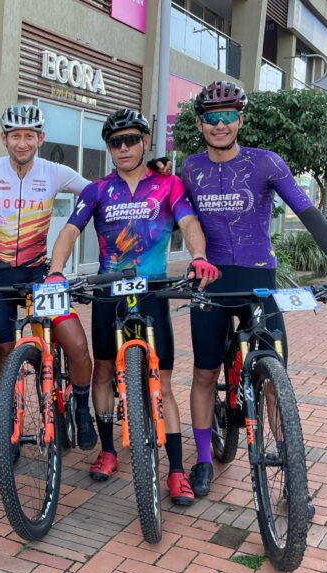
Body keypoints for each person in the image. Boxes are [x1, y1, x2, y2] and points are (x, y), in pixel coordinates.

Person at [156, 81, 327, 499]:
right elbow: (169, 208)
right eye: (212, 118)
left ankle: (291, 473)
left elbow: (307, 211)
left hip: (257, 281)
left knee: (273, 378)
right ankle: (202, 460)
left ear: (241, 119)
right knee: (204, 373)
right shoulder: (190, 169)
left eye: (228, 116)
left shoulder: (265, 162)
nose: (220, 125)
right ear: (199, 124)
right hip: (210, 283)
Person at [48, 109, 218, 503]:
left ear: (145, 142)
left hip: (153, 291)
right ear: (108, 148)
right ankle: (108, 450)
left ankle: (176, 470)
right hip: (109, 292)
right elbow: (70, 231)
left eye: (131, 140)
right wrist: (56, 271)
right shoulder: (97, 190)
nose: (123, 148)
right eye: (115, 142)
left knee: (164, 383)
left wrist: (198, 256)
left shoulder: (168, 184)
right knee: (104, 370)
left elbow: (189, 223)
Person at [0, 104, 97, 449]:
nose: (21, 143)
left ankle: (82, 409)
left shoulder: (55, 171)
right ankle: (8, 426)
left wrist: (149, 174)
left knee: (77, 345)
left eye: (29, 136)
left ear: (41, 138)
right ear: (4, 138)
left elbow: (99, 193)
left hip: (39, 273)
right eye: (15, 136)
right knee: (5, 355)